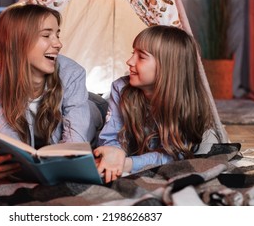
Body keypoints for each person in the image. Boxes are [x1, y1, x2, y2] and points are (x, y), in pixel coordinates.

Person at [0, 3, 106, 179]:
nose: (58, 44)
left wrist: (64, 162)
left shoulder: (73, 73)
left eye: (57, 34)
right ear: (19, 41)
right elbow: (6, 136)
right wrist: (2, 159)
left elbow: (74, 143)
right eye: (47, 35)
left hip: (94, 108)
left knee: (94, 111)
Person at [94, 25, 228, 183]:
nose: (129, 61)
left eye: (141, 56)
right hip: (121, 123)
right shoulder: (121, 88)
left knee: (208, 143)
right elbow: (110, 136)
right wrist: (113, 154)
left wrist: (127, 163)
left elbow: (175, 154)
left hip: (168, 146)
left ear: (168, 66)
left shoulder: (187, 103)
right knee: (93, 108)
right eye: (133, 53)